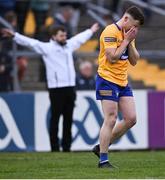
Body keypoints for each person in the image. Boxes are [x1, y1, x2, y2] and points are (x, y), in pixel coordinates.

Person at [1, 23, 99, 152]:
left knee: (68, 119)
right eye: (61, 35)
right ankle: (54, 148)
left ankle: (66, 147)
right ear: (53, 37)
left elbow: (80, 38)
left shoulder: (69, 45)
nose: (64, 37)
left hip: (70, 88)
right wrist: (14, 35)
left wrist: (90, 30)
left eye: (65, 35)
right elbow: (30, 42)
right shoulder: (47, 48)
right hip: (56, 89)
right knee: (55, 119)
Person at [93, 6, 144, 168]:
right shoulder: (110, 31)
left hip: (122, 81)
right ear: (126, 19)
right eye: (134, 25)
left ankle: (100, 147)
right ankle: (103, 160)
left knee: (131, 119)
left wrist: (129, 42)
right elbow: (113, 57)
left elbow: (135, 61)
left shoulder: (129, 34)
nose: (135, 29)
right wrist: (126, 41)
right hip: (106, 79)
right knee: (111, 118)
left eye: (137, 27)